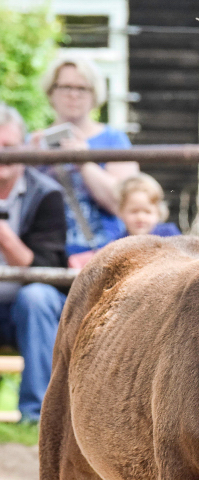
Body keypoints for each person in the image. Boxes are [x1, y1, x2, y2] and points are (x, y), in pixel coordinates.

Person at [0, 104, 68, 422]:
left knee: (38, 297)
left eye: (8, 147)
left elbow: (48, 266)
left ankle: (37, 414)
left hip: (26, 309)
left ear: (25, 149)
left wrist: (4, 235)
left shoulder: (47, 194)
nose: (1, 155)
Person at [33, 56, 139, 255]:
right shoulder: (33, 142)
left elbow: (125, 204)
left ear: (94, 94)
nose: (74, 95)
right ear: (51, 92)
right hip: (48, 254)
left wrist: (84, 162)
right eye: (65, 87)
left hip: (105, 253)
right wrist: (29, 159)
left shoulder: (114, 139)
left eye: (82, 88)